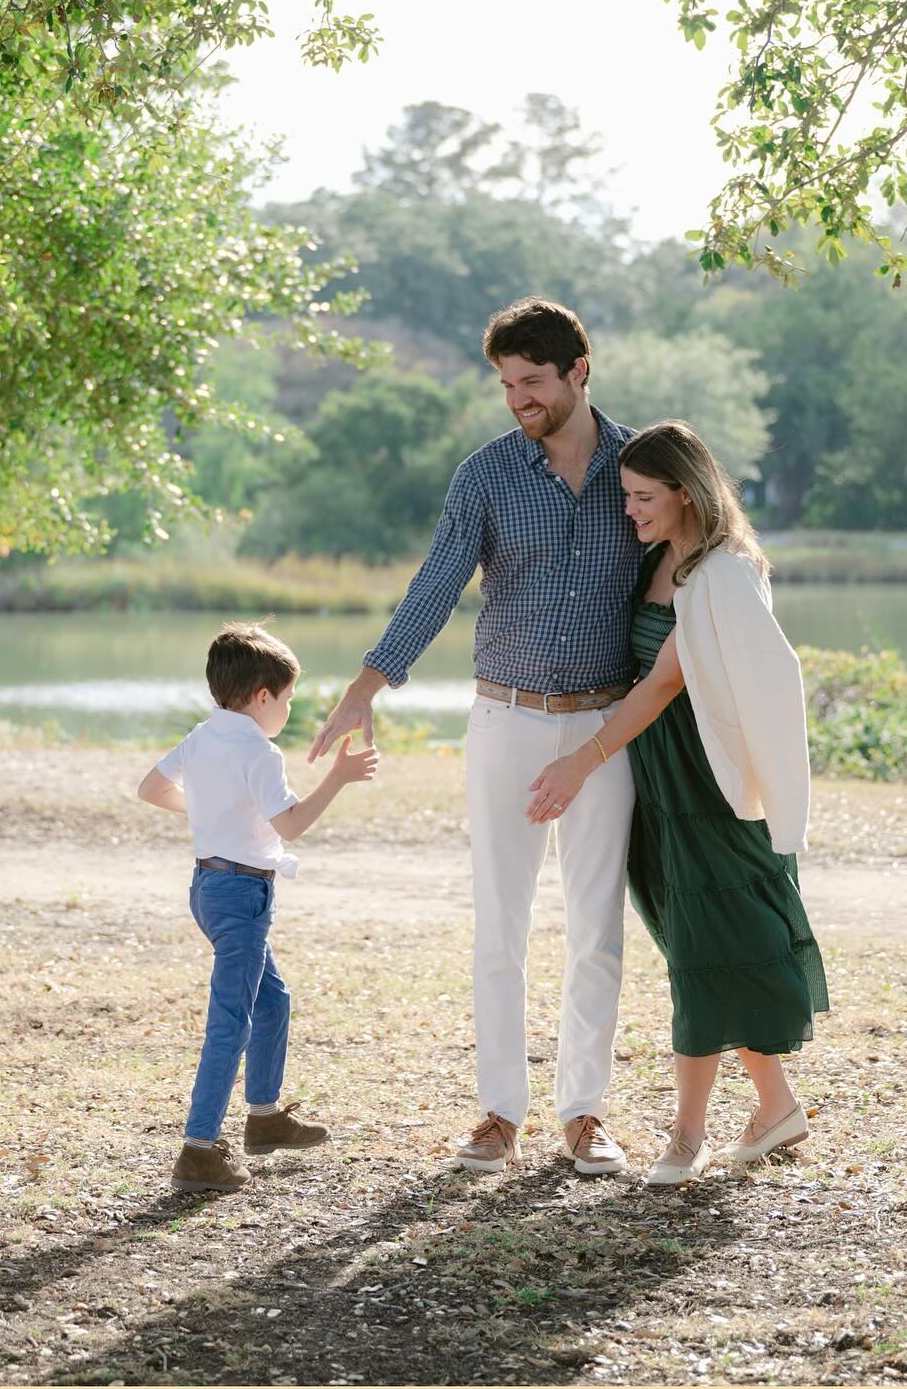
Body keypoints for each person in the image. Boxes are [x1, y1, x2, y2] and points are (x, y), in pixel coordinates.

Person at [309, 298, 643, 1176]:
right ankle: (500, 1112)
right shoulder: (486, 475)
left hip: (605, 726)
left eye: (532, 382)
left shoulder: (640, 464)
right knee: (500, 923)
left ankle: (585, 1114)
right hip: (505, 717)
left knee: (597, 926)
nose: (517, 399)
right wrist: (365, 686)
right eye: (505, 384)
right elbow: (436, 582)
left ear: (580, 370)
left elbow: (692, 563)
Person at [526, 420, 830, 1185]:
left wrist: (579, 763)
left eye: (642, 497)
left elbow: (665, 682)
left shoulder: (721, 572)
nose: (629, 510)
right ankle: (777, 1106)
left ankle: (685, 1137)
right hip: (657, 781)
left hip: (706, 784)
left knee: (703, 949)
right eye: (625, 495)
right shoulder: (660, 560)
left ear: (686, 494)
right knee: (701, 942)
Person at [138, 621, 379, 1193]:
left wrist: (211, 815)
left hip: (207, 888)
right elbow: (292, 825)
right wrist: (338, 778)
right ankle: (198, 1149)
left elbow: (150, 787)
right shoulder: (260, 751)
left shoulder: (204, 735)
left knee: (272, 1001)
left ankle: (265, 1117)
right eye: (288, 698)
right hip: (243, 893)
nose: (289, 709)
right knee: (232, 1020)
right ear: (262, 695)